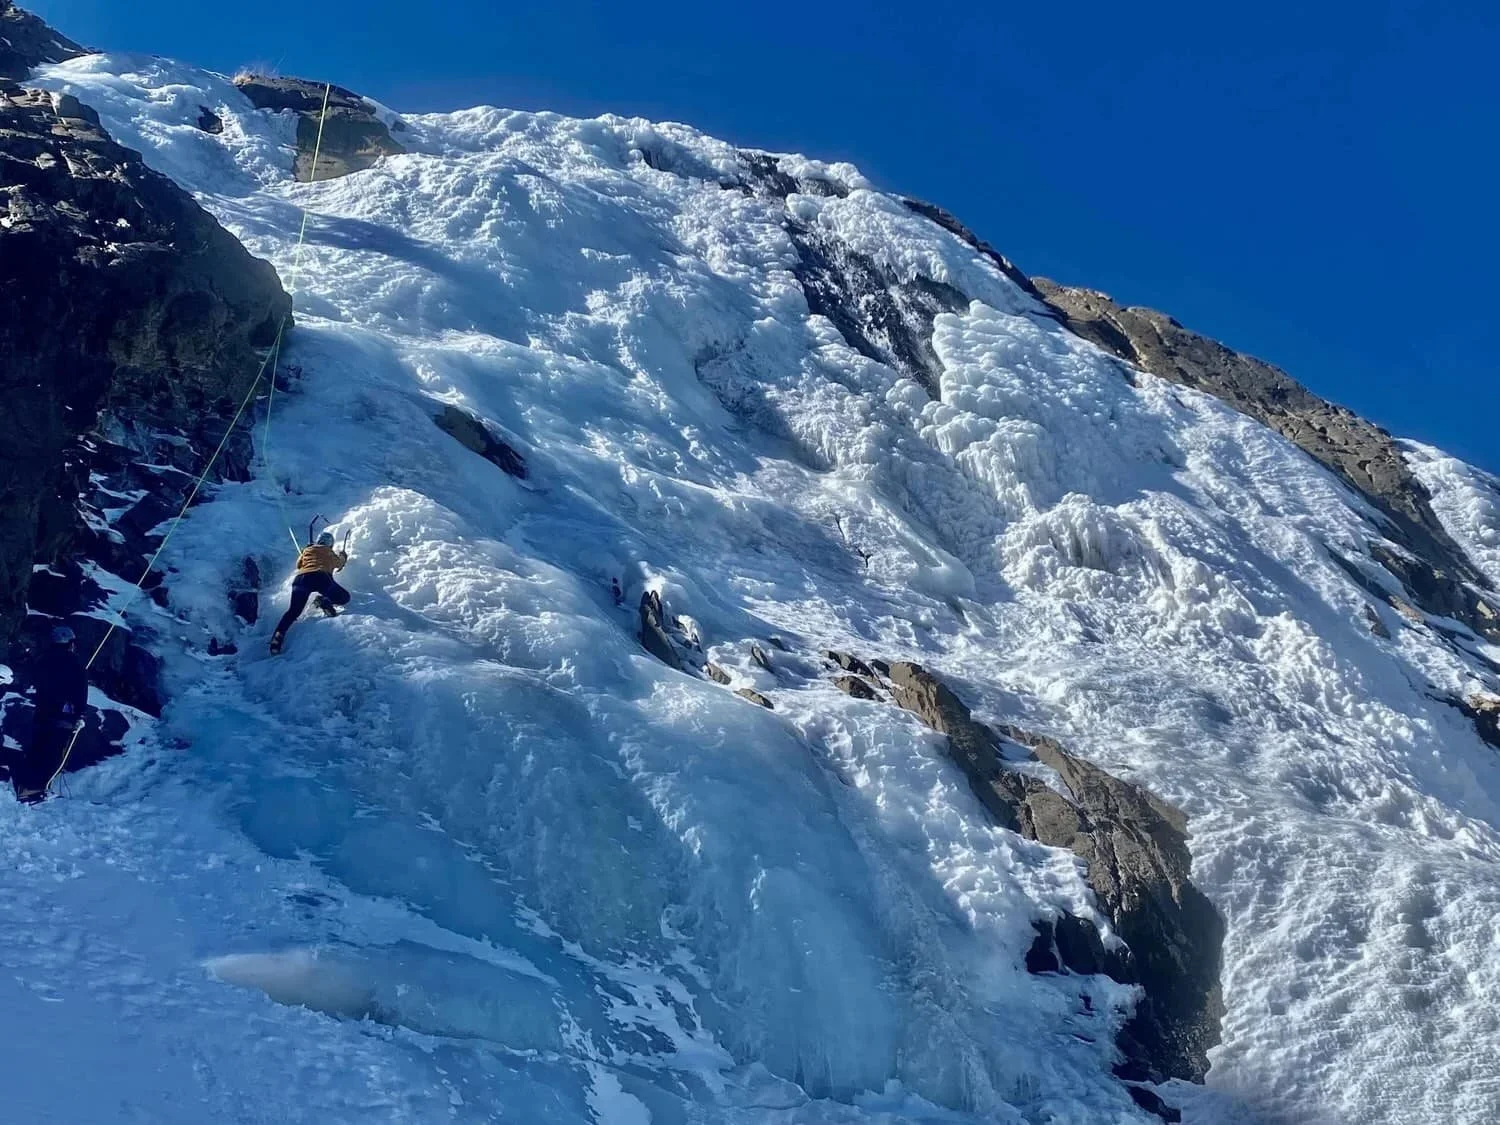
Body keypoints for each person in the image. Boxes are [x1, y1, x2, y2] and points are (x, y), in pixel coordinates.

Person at [13, 625, 88, 804]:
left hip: (42, 714)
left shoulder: (43, 660)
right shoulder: (74, 663)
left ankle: (26, 787)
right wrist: (80, 714)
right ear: (69, 643)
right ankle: (34, 790)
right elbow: (80, 691)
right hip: (63, 716)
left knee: (38, 749)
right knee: (52, 753)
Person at [269, 532, 350, 654]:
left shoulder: (308, 550)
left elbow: (299, 565)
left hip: (301, 580)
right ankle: (324, 600)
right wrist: (343, 556)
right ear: (330, 544)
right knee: (344, 597)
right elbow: (339, 564)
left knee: (293, 611)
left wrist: (305, 552)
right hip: (321, 577)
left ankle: (277, 637)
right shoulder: (328, 551)